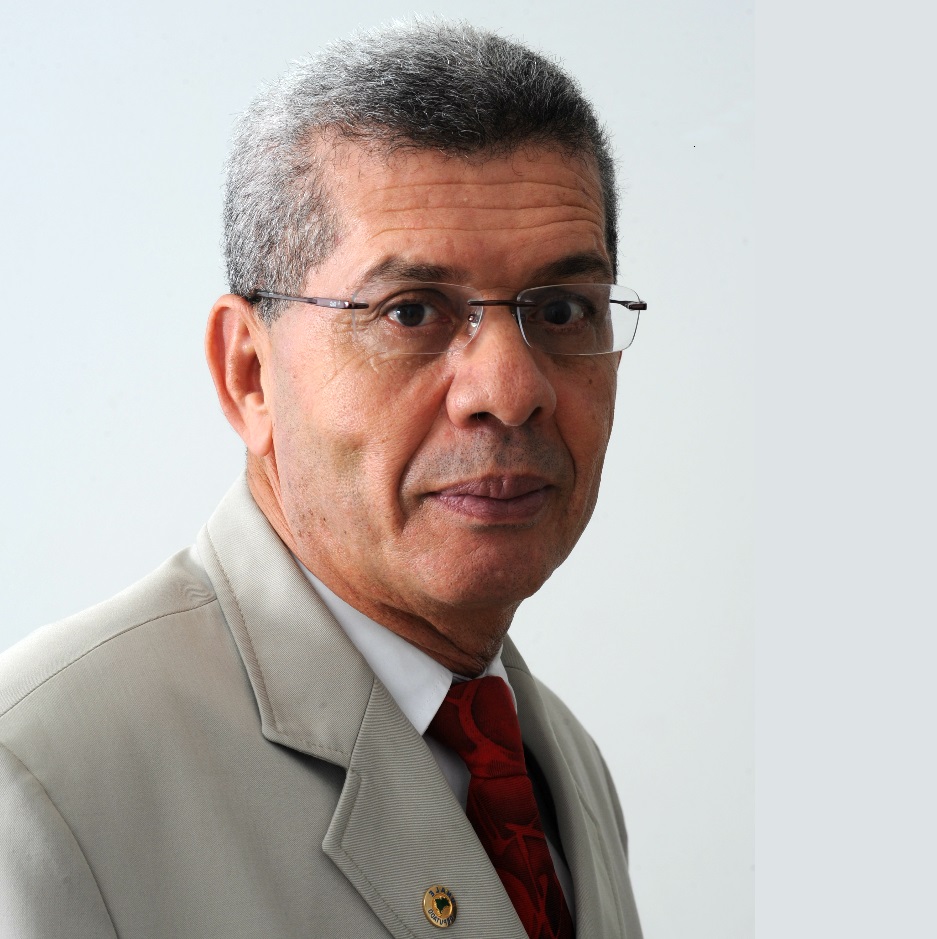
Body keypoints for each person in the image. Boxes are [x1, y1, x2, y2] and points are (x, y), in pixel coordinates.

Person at [0, 20, 647, 939]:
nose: (510, 390)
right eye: (411, 311)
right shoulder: (37, 779)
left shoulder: (560, 765)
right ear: (250, 375)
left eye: (561, 309)